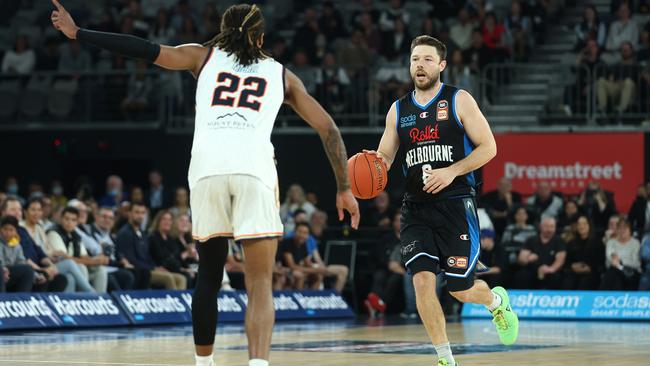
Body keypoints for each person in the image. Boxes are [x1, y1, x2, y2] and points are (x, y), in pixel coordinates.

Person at [51, 4, 359, 366]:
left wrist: (79, 33)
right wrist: (343, 186)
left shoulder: (202, 56)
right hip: (254, 172)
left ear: (222, 31)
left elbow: (143, 48)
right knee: (259, 284)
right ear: (261, 37)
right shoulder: (283, 76)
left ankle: (204, 363)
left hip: (207, 172)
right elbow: (330, 130)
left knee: (209, 276)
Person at [363, 35, 518, 366]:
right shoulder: (398, 110)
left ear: (442, 65)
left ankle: (494, 302)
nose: (419, 65)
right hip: (415, 209)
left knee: (459, 290)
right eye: (415, 59)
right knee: (421, 282)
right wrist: (368, 166)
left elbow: (489, 147)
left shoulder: (459, 100)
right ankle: (445, 358)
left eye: (427, 59)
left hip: (456, 203)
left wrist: (452, 171)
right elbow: (384, 158)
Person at [513, 217, 566, 289]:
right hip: (532, 270)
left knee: (555, 277)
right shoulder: (531, 240)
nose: (549, 229)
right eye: (546, 226)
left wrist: (550, 269)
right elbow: (521, 258)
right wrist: (528, 259)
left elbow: (560, 259)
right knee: (522, 275)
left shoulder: (559, 241)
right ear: (541, 227)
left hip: (550, 270)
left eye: (552, 227)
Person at [562, 215, 604, 290]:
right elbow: (567, 261)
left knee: (585, 282)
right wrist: (572, 266)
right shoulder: (572, 243)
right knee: (567, 281)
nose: (581, 226)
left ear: (589, 225)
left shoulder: (597, 242)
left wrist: (590, 268)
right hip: (574, 272)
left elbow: (601, 262)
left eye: (584, 224)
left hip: (591, 273)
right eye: (579, 224)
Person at [600, 218, 641, 290]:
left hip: (630, 272)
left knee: (613, 273)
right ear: (617, 229)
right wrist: (616, 264)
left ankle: (601, 296)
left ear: (630, 229)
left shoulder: (635, 243)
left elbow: (637, 263)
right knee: (615, 275)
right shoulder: (611, 242)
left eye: (625, 227)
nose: (622, 230)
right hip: (614, 271)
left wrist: (621, 262)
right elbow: (608, 262)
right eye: (619, 227)